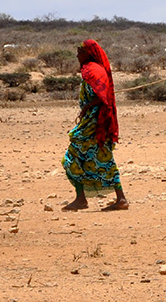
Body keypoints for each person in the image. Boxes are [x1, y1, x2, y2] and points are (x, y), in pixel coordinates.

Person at [62, 39, 129, 211]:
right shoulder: (90, 70)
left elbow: (102, 97)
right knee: (95, 157)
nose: (77, 54)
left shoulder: (94, 70)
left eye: (80, 51)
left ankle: (86, 199)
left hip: (95, 123)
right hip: (90, 122)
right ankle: (86, 198)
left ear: (88, 53)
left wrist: (86, 107)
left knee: (75, 156)